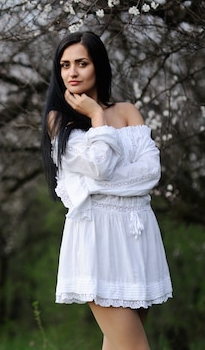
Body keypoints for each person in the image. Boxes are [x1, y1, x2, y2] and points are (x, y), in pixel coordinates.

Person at [41, 31, 172, 350]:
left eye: (81, 63)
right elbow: (100, 166)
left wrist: (108, 181)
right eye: (65, 65)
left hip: (137, 235)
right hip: (98, 238)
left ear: (98, 65)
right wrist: (97, 117)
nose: (71, 72)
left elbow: (150, 173)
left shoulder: (128, 111)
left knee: (118, 346)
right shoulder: (59, 120)